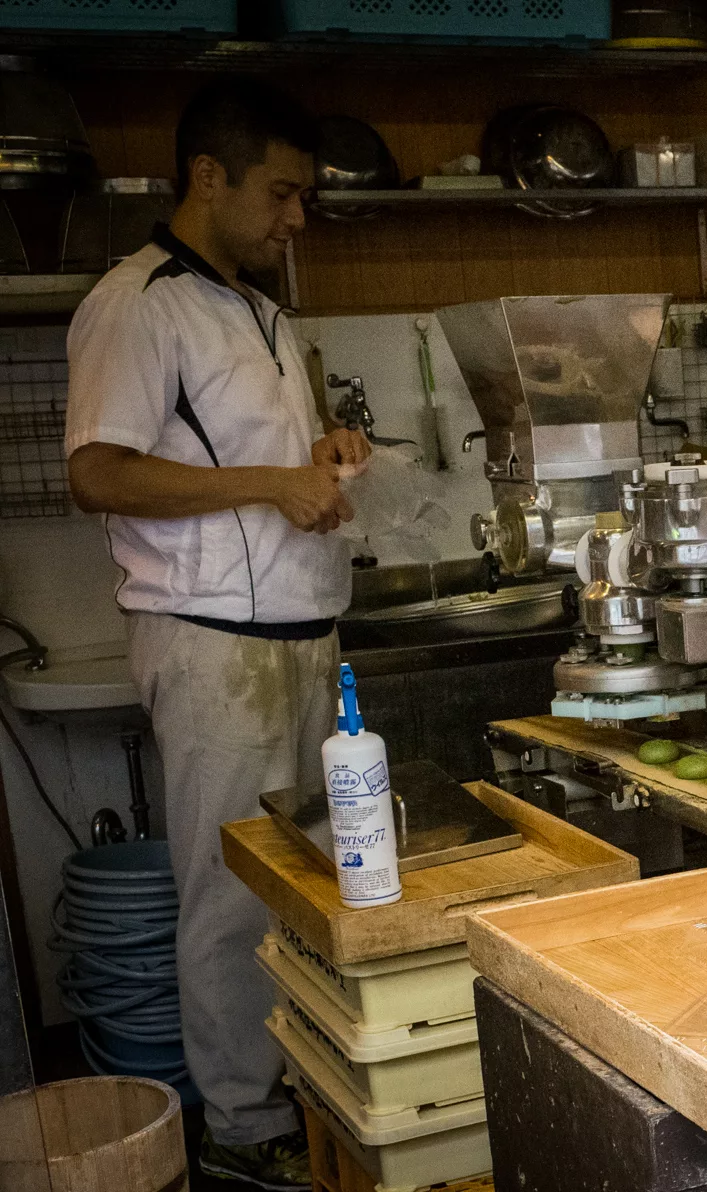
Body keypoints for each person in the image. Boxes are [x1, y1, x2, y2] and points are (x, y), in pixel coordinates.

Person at [63, 79, 366, 1190]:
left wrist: (326, 455)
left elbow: (271, 472)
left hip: (298, 632)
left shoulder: (261, 310)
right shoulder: (136, 303)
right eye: (282, 193)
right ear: (208, 176)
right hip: (211, 643)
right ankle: (242, 1127)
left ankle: (313, 1095)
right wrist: (271, 486)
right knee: (232, 890)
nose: (298, 218)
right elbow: (97, 470)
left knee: (314, 885)